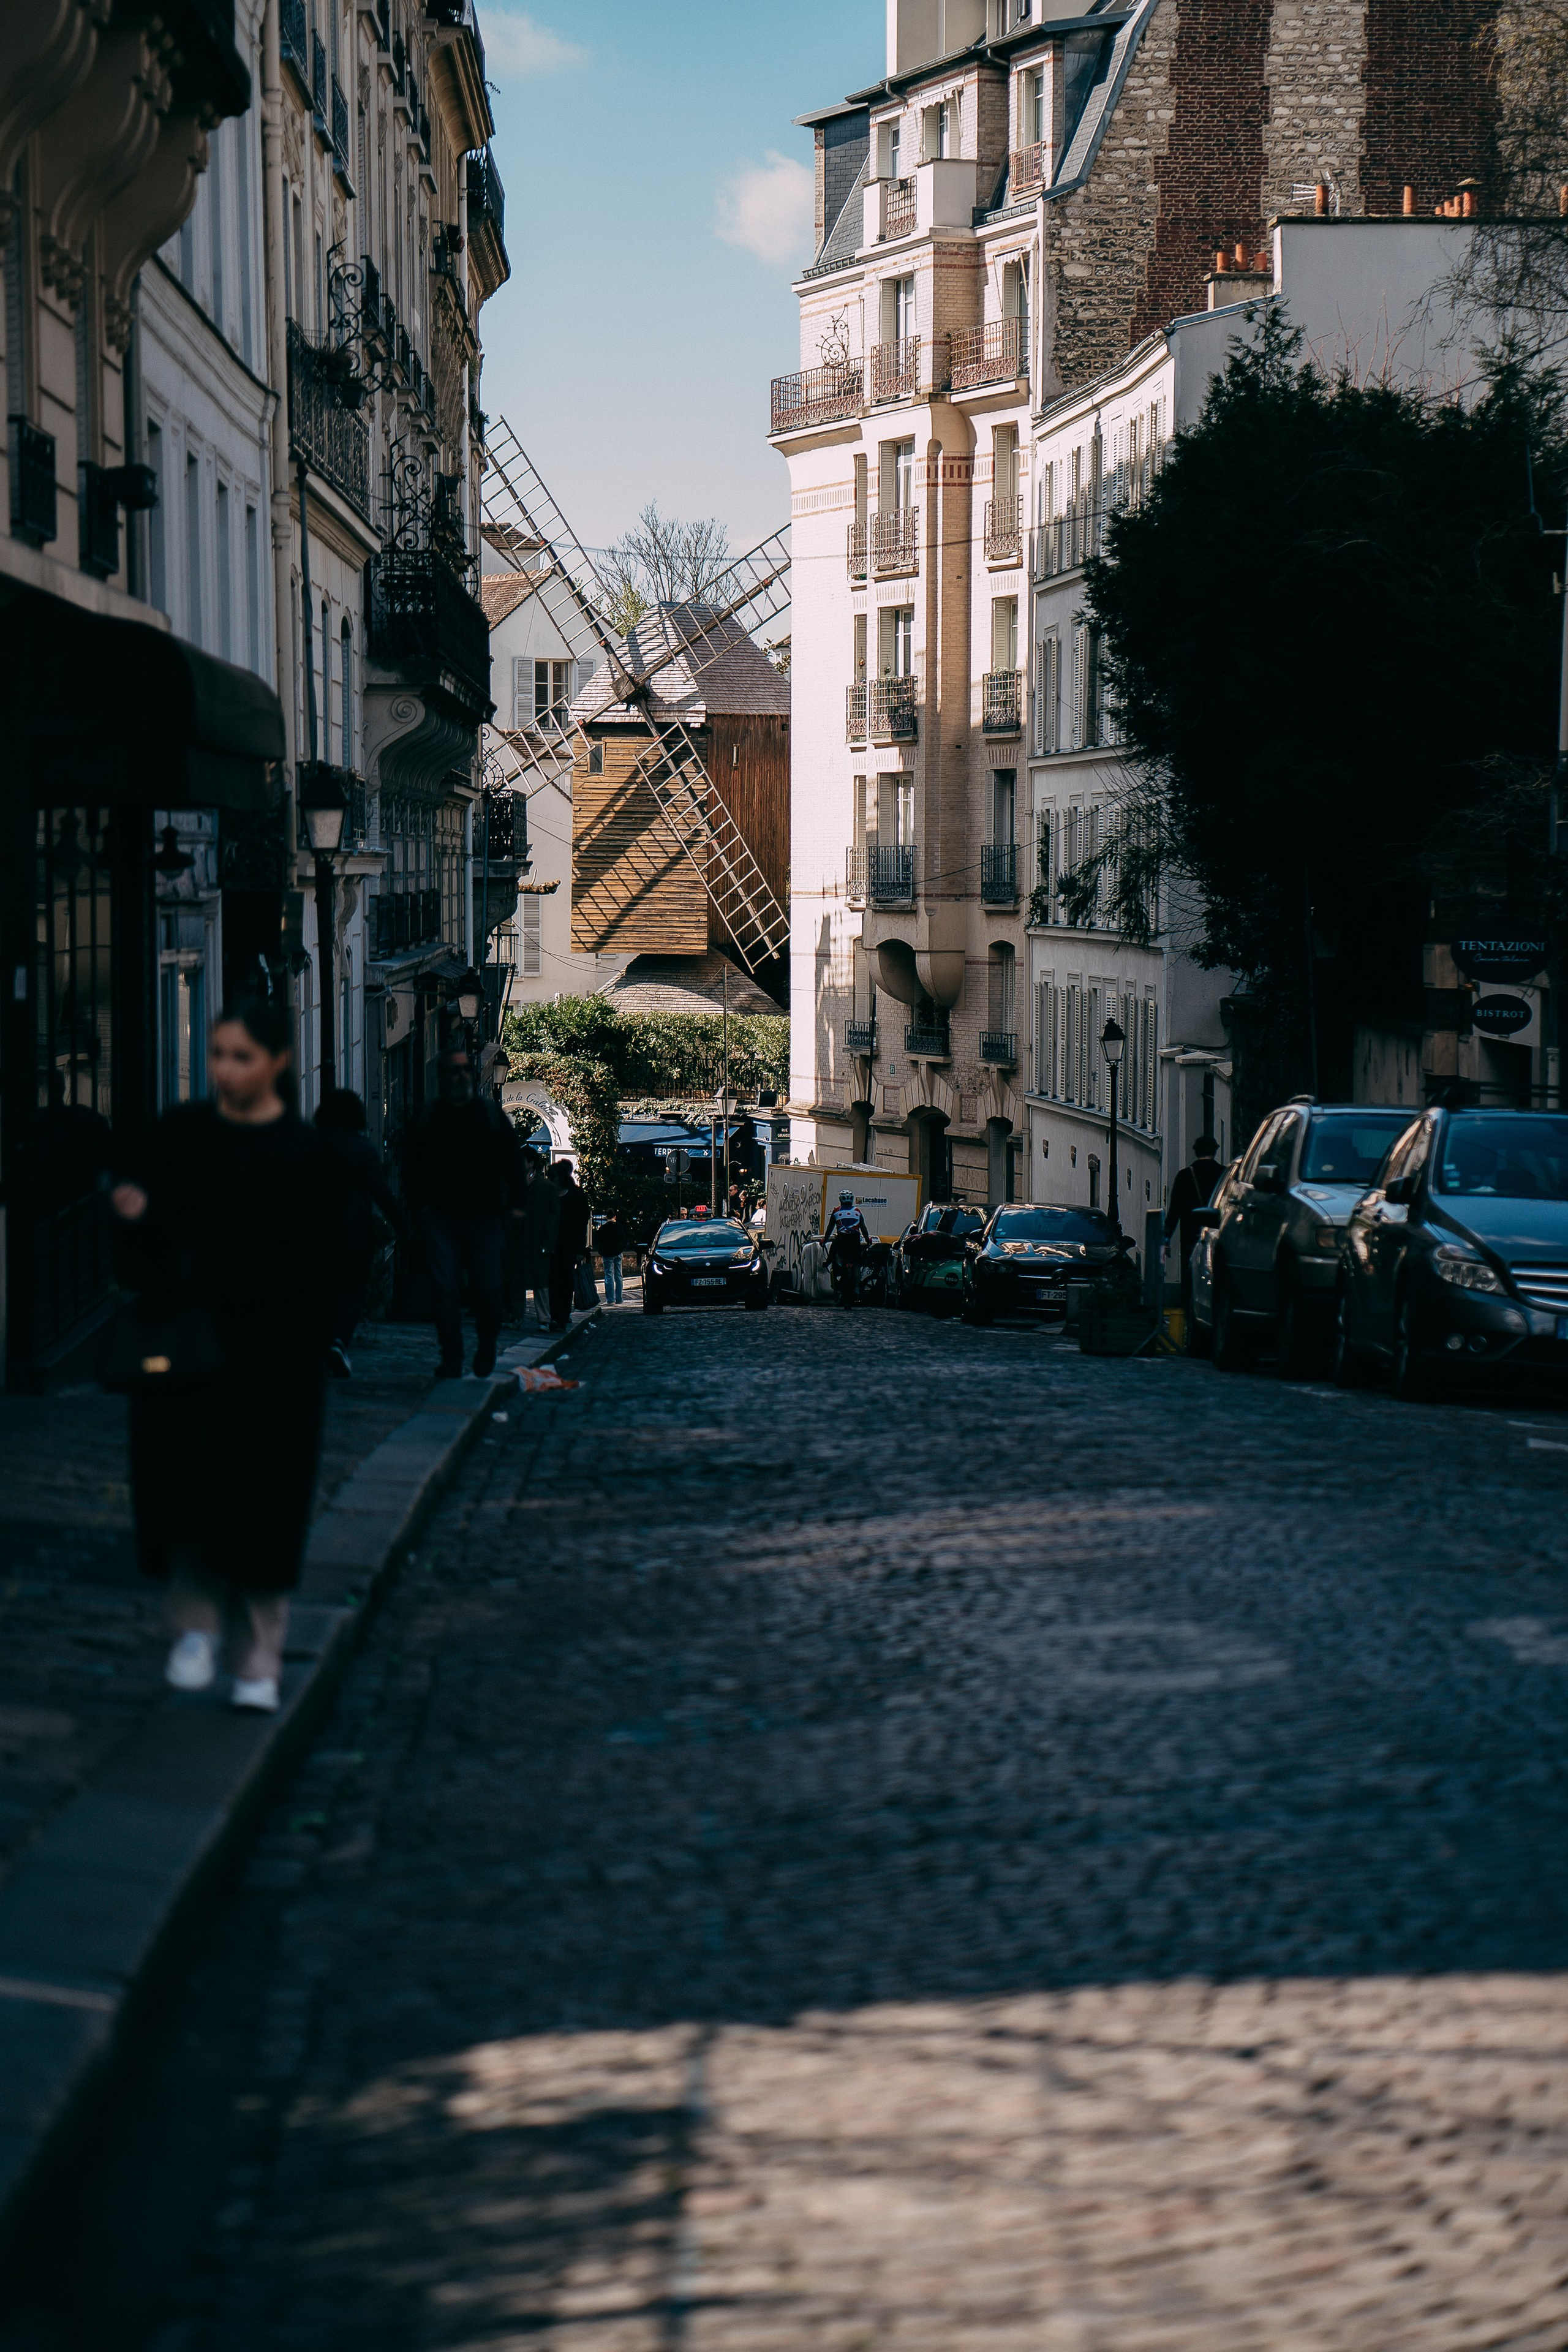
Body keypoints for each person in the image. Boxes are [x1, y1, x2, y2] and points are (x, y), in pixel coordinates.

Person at [110, 998, 336, 1714]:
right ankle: (196, 1631)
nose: (225, 1071)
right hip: (187, 1344)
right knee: (185, 1493)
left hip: (274, 1354)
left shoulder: (304, 1152)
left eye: (241, 1057)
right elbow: (136, 1242)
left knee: (266, 1505)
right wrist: (133, 1219)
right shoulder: (178, 1134)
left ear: (276, 1063)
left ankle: (260, 1661)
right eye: (217, 1056)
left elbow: (327, 1258)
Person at [402, 1047, 527, 1378]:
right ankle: (452, 1356)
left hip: (485, 1218)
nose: (461, 1076)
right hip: (441, 1218)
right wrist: (418, 1209)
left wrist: (516, 1206)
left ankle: (486, 1346)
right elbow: (411, 1167)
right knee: (445, 1290)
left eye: (465, 1070)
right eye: (454, 1071)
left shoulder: (489, 1116)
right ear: (442, 1077)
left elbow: (513, 1163)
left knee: (488, 1288)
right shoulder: (429, 1117)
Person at [313, 1088, 404, 1376]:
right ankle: (339, 1342)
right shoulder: (362, 1148)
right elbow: (381, 1192)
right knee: (352, 1291)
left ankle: (322, 1343)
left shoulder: (310, 1145)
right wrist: (403, 1226)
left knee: (322, 1289)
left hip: (314, 1229)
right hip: (354, 1229)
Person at [1164, 1134, 1225, 1310]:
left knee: (1190, 1278)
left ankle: (1190, 1314)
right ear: (1215, 1151)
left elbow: (1175, 1210)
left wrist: (1166, 1237)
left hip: (1191, 1235)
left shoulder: (1184, 1176)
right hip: (1216, 1234)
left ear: (1196, 1152)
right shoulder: (1224, 1174)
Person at [547, 1158, 592, 1329]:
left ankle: (563, 1315)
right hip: (552, 1244)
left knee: (565, 1281)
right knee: (552, 1281)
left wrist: (580, 1248)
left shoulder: (575, 1195)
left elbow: (582, 1222)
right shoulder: (550, 1195)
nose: (551, 1180)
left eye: (553, 1177)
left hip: (569, 1246)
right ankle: (555, 1315)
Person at [824, 1187, 871, 1308]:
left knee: (833, 1253)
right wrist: (867, 1240)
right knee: (857, 1263)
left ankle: (828, 1263)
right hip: (855, 1241)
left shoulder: (836, 1211)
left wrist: (824, 1240)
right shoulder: (858, 1211)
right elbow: (863, 1228)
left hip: (842, 1241)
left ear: (840, 1200)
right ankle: (856, 1288)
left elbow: (830, 1228)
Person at [594, 1212, 625, 1305]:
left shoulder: (604, 1228)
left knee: (609, 1275)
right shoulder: (619, 1227)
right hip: (618, 1252)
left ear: (607, 1217)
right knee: (619, 1275)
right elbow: (623, 1238)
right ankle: (619, 1299)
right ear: (615, 1217)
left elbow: (598, 1239)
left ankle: (611, 1300)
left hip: (608, 1253)